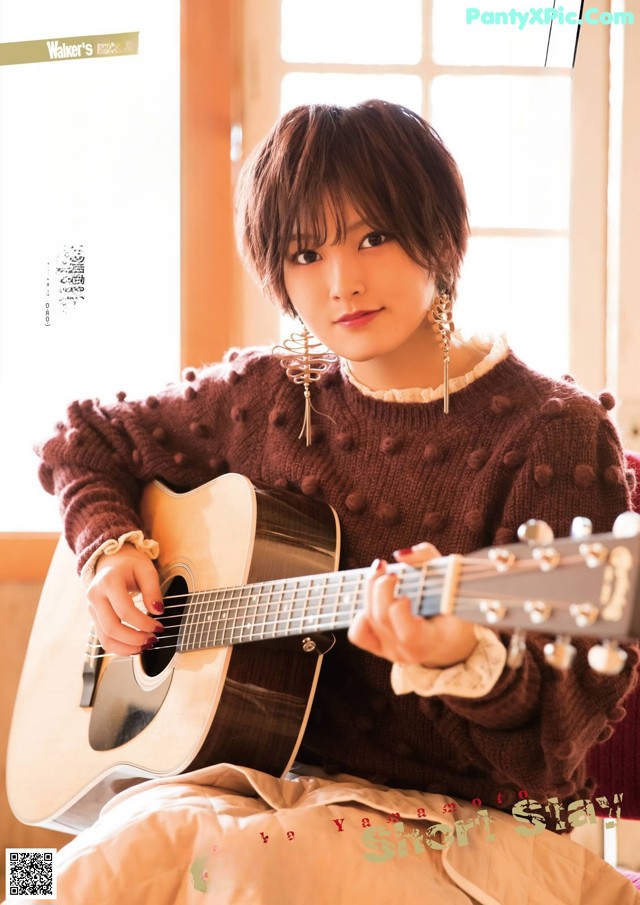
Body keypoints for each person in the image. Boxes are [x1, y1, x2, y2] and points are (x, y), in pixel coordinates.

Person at [32, 100, 640, 903]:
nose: (341, 282)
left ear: (438, 230)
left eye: (373, 237)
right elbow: (83, 436)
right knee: (65, 878)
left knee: (247, 876)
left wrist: (462, 660)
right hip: (258, 792)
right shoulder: (269, 393)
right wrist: (109, 547)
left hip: (464, 828)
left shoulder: (554, 433)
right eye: (305, 252)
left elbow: (553, 751)